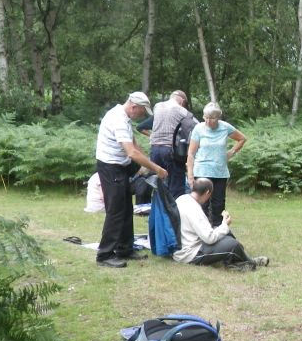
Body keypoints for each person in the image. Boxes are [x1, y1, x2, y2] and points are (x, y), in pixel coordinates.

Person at [95, 91, 167, 268]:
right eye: (142, 111)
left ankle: (125, 249)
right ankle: (104, 255)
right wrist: (156, 168)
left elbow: (134, 144)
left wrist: (147, 162)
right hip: (111, 168)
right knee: (116, 211)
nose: (142, 115)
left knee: (127, 208)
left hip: (121, 166)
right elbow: (132, 152)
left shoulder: (124, 117)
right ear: (134, 106)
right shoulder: (118, 120)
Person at [173, 178, 268, 270]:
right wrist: (225, 224)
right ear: (207, 192)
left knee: (227, 235)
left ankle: (240, 261)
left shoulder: (182, 199)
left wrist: (223, 228)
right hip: (190, 253)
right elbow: (209, 238)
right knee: (232, 244)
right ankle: (250, 262)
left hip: (183, 246)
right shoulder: (195, 209)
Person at [186, 102, 246, 227]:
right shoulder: (198, 128)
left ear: (218, 117)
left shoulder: (225, 127)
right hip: (202, 171)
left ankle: (218, 231)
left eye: (212, 118)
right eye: (206, 118)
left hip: (220, 172)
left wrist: (231, 152)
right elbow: (191, 153)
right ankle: (201, 230)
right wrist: (190, 175)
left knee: (219, 205)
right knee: (202, 205)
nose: (208, 121)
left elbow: (242, 139)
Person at [150, 90, 197, 198]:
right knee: (176, 187)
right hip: (170, 151)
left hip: (155, 150)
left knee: (158, 185)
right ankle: (175, 208)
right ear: (182, 101)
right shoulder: (181, 110)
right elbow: (196, 125)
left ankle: (160, 208)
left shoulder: (157, 106)